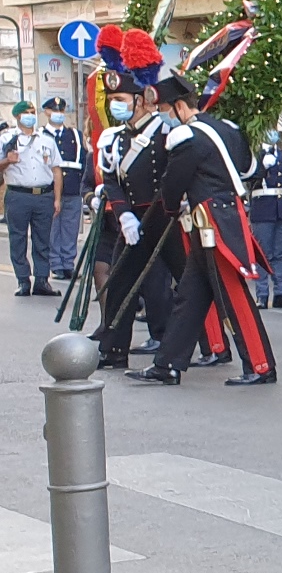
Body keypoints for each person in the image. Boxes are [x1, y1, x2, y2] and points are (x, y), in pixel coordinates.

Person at [125, 74, 277, 387]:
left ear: (179, 107)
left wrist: (167, 209)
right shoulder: (227, 129)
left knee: (233, 296)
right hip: (217, 215)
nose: (166, 116)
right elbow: (251, 170)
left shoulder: (185, 136)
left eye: (167, 108)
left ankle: (260, 365)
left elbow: (172, 184)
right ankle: (167, 364)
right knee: (189, 296)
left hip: (211, 221)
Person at [89, 62, 174, 368]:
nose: (116, 106)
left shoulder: (164, 130)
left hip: (165, 217)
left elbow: (174, 174)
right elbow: (111, 179)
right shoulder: (115, 138)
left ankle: (210, 346)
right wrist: (124, 215)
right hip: (132, 221)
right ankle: (114, 350)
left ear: (141, 100)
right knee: (119, 284)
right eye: (113, 100)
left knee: (184, 284)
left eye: (122, 100)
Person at [2, 99, 63, 296]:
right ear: (18, 116)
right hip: (18, 195)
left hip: (43, 195)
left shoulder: (46, 140)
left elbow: (56, 170)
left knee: (43, 239)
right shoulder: (7, 140)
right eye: (26, 112)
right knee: (18, 239)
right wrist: (7, 161)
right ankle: (22, 280)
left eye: (33, 111)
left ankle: (42, 280)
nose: (31, 115)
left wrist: (57, 198)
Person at [246, 124, 282, 310]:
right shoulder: (255, 154)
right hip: (264, 208)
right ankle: (262, 294)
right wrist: (261, 166)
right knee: (263, 254)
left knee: (279, 254)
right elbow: (248, 179)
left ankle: (281, 293)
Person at [43, 96, 85, 282]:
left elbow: (82, 161)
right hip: (49, 189)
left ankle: (68, 264)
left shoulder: (75, 135)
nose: (58, 114)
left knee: (70, 228)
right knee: (53, 228)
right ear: (46, 112)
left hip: (73, 188)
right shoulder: (41, 135)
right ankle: (56, 265)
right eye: (54, 111)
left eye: (61, 111)